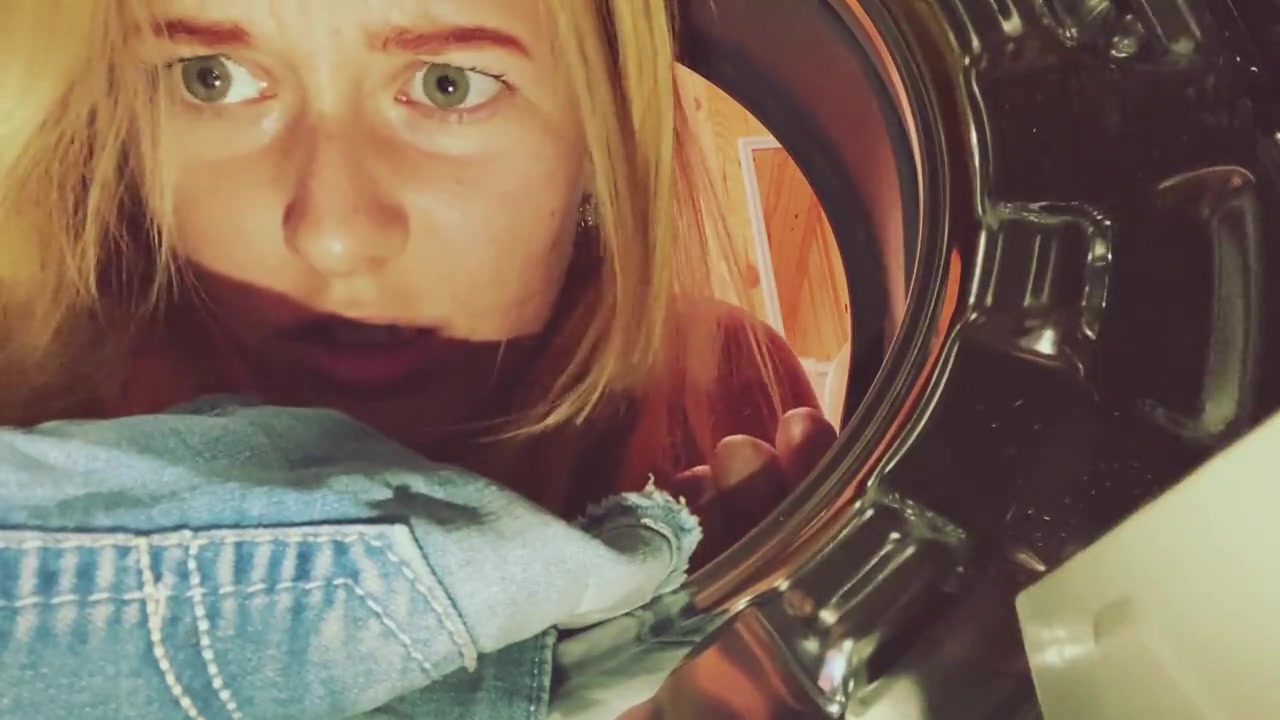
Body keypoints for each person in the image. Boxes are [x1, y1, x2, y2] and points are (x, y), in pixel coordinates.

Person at [0, 0, 838, 563]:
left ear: (602, 135)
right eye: (210, 76)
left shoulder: (720, 388)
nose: (334, 234)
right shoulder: (50, 455)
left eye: (448, 84)